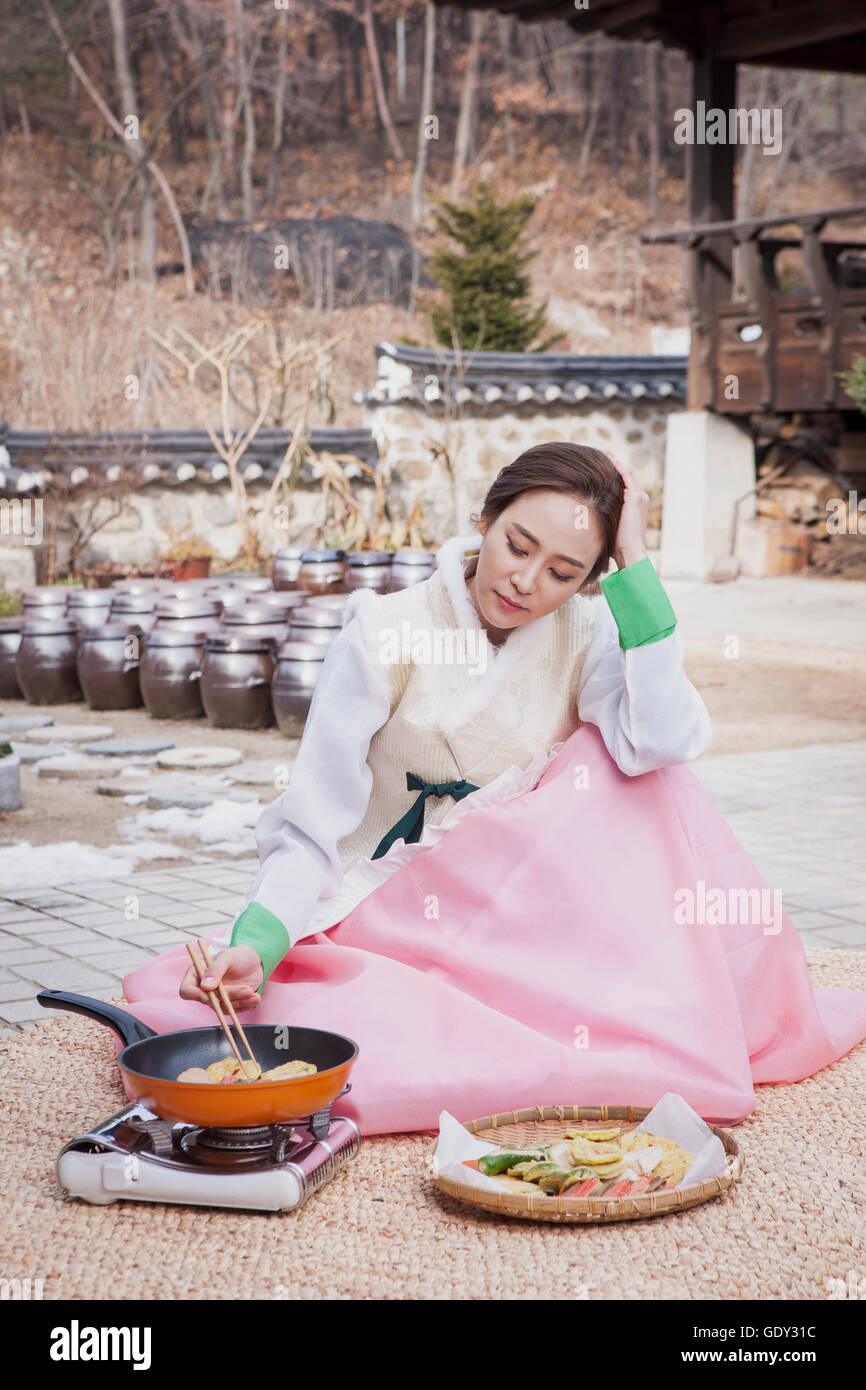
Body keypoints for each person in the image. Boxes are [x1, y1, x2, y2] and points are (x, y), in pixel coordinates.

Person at [123, 443, 866, 1135]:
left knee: (646, 775)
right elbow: (315, 816)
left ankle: (670, 998)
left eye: (563, 572)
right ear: (485, 518)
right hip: (394, 899)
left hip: (524, 906)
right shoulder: (387, 631)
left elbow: (663, 741)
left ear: (589, 580)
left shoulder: (586, 632)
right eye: (517, 545)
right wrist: (260, 939)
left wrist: (636, 561)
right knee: (381, 1049)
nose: (525, 581)